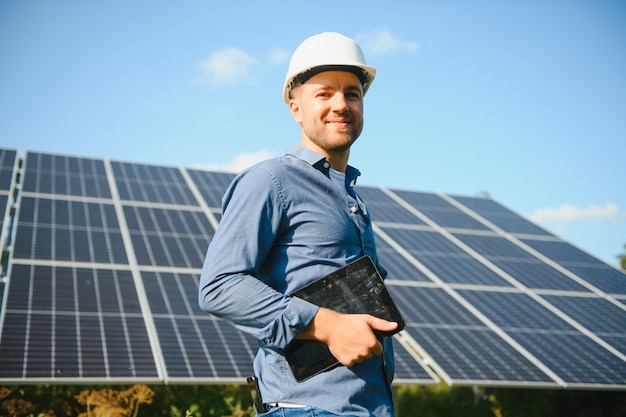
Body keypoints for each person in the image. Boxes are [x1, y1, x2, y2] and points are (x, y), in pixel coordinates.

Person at [198, 32, 398, 417]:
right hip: (307, 409)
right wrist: (326, 324)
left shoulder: (352, 198)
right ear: (295, 108)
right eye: (324, 93)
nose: (340, 104)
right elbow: (219, 287)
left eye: (352, 94)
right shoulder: (272, 180)